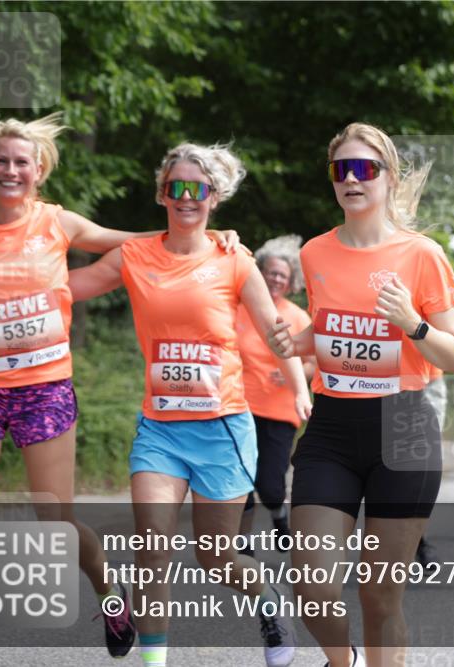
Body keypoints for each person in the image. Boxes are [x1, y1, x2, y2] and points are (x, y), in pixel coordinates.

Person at [0, 114, 231, 667]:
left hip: (45, 391)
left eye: (21, 162)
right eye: (1, 160)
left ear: (39, 171)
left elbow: (136, 242)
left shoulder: (57, 223)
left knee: (55, 521)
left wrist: (207, 238)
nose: (11, 170)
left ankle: (108, 591)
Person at [69, 142, 309, 667]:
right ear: (161, 194)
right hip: (160, 430)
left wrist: (299, 385)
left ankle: (267, 600)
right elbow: (68, 287)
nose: (185, 197)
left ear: (213, 198)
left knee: (216, 556)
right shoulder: (135, 256)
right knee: (152, 545)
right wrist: (12, 270)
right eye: (175, 187)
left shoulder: (233, 259)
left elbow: (275, 327)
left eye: (197, 189)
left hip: (222, 429)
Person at [267, 123, 454, 667]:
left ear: (389, 177)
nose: (351, 180)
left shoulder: (422, 255)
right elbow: (331, 327)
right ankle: (346, 661)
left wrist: (412, 323)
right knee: (312, 587)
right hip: (331, 430)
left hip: (403, 429)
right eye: (341, 170)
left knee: (379, 598)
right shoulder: (315, 253)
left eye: (364, 169)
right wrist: (298, 341)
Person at [236, 235, 315, 554]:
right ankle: (243, 542)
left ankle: (279, 512)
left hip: (280, 411)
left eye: (282, 275)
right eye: (270, 272)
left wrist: (291, 374)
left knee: (269, 485)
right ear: (261, 273)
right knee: (240, 480)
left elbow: (313, 363)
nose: (275, 279)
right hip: (238, 407)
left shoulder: (297, 317)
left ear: (291, 281)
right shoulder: (240, 308)